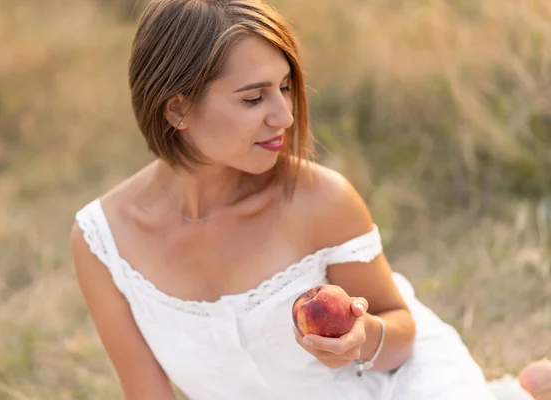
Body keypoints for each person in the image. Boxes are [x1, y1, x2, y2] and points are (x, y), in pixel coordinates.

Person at [69, 0, 551, 398]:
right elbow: (147, 393)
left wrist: (362, 339)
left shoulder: (321, 200)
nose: (284, 115)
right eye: (253, 98)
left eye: (284, 88)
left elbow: (401, 332)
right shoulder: (103, 241)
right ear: (177, 107)